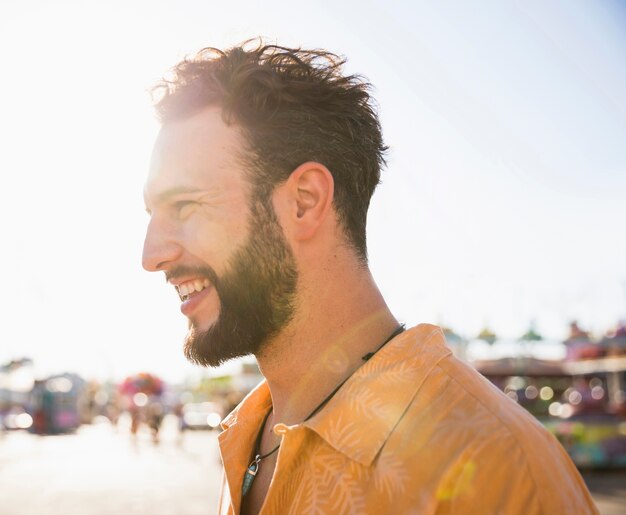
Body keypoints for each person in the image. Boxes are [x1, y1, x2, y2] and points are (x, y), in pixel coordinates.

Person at [142, 41, 598, 514]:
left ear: (305, 201)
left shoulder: (499, 471)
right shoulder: (249, 437)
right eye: (152, 214)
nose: (151, 255)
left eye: (185, 206)